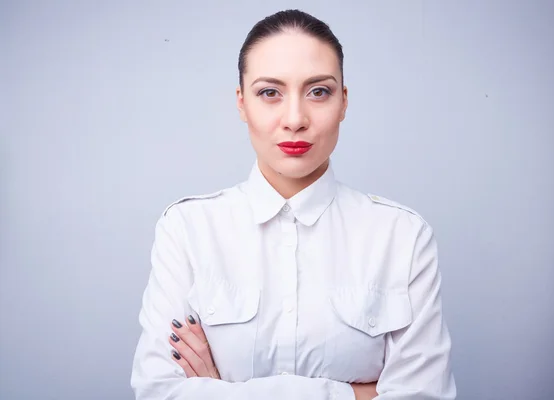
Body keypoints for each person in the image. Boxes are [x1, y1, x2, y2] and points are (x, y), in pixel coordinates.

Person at [130, 9, 456, 400]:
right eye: (270, 92)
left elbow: (425, 396)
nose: (295, 119)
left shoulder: (403, 236)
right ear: (242, 103)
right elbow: (158, 392)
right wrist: (358, 394)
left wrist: (221, 391)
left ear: (344, 102)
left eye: (319, 91)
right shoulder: (187, 228)